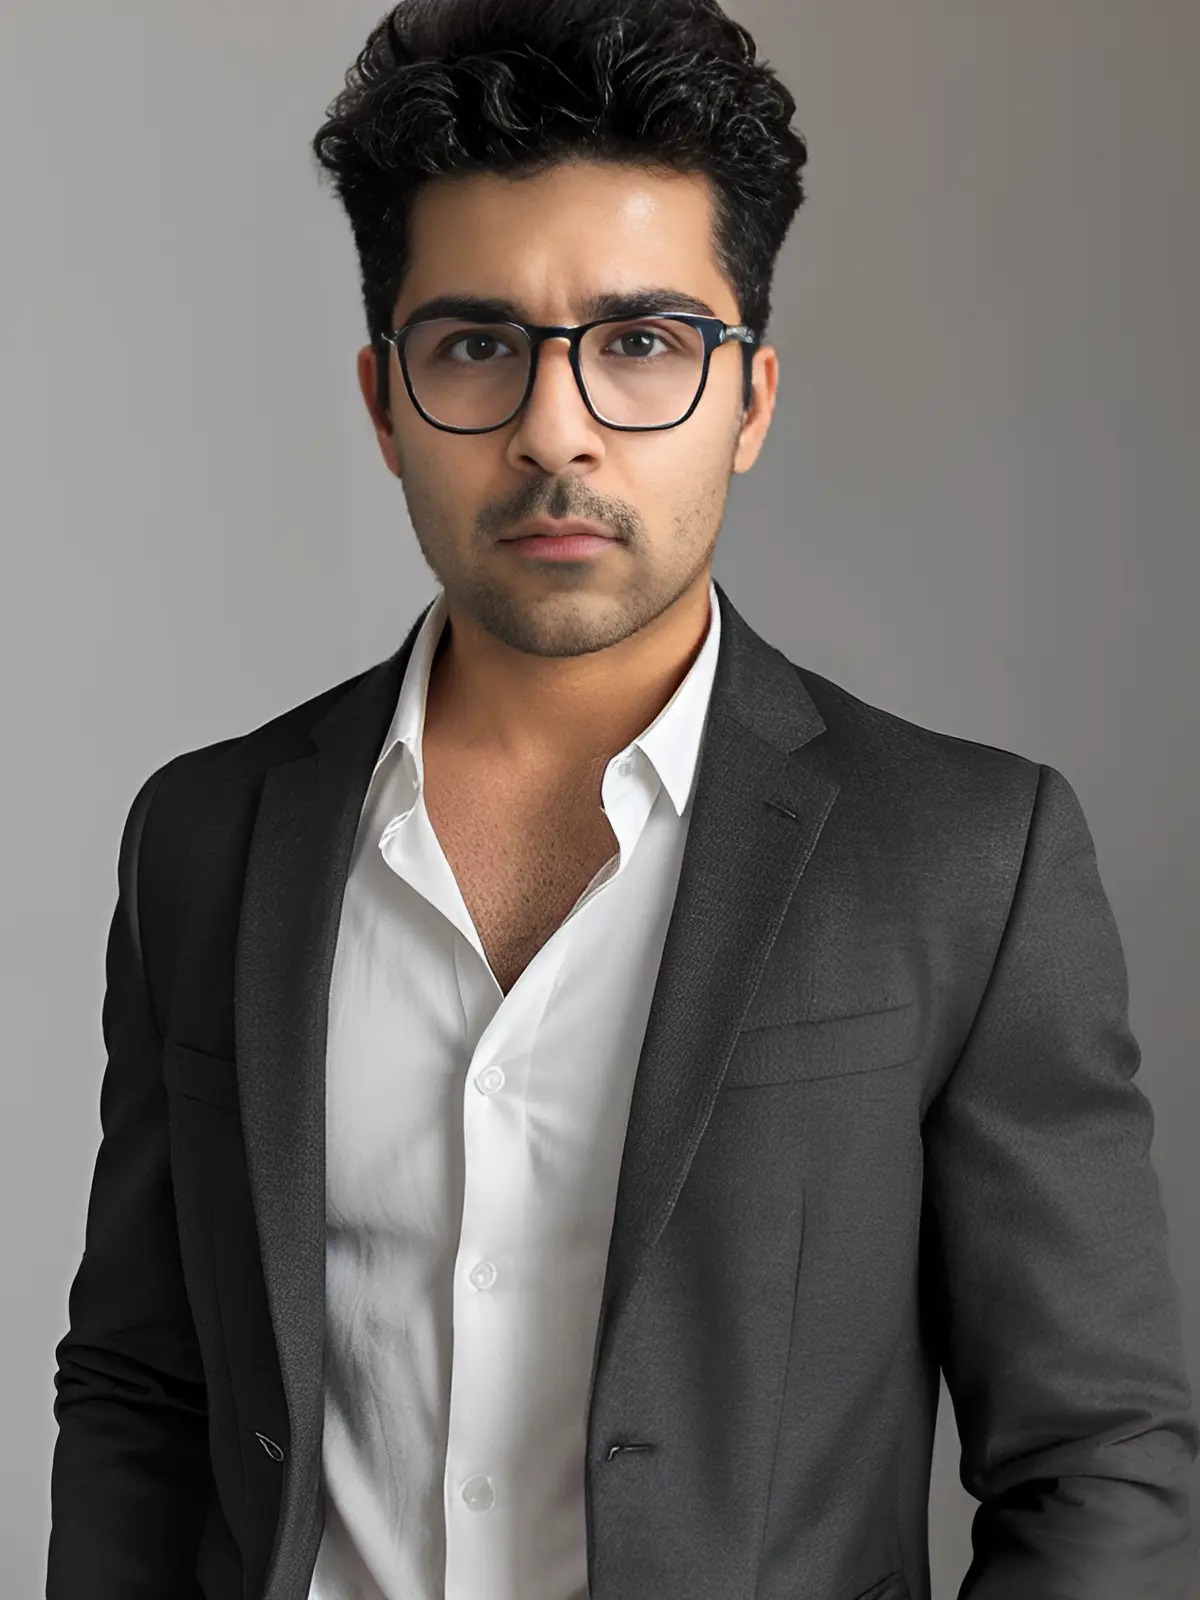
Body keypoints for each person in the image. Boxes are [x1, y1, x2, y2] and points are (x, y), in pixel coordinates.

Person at [46, 1, 1198, 1597]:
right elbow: (143, 1393)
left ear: (754, 398)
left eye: (643, 344)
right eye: (476, 346)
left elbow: (1094, 1460)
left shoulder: (963, 859)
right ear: (384, 402)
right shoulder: (209, 839)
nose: (553, 430)